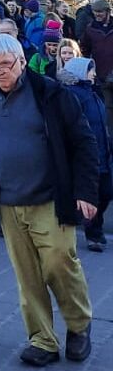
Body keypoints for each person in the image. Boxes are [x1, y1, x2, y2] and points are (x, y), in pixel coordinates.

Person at [0, 34, 97, 366]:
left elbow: (84, 142)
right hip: (8, 201)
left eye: (5, 65)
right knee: (27, 274)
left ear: (22, 62)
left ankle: (79, 325)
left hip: (50, 197)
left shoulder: (51, 94)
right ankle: (43, 340)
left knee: (58, 262)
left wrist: (86, 191)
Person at [57, 57, 111, 252]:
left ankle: (90, 225)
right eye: (90, 70)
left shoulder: (93, 93)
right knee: (92, 192)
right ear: (80, 71)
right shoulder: (72, 95)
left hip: (102, 150)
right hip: (86, 152)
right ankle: (92, 232)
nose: (94, 74)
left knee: (106, 191)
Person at [79, 0, 113, 131]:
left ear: (107, 12)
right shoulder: (90, 30)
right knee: (108, 110)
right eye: (95, 12)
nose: (97, 14)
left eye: (100, 12)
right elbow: (85, 50)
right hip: (102, 76)